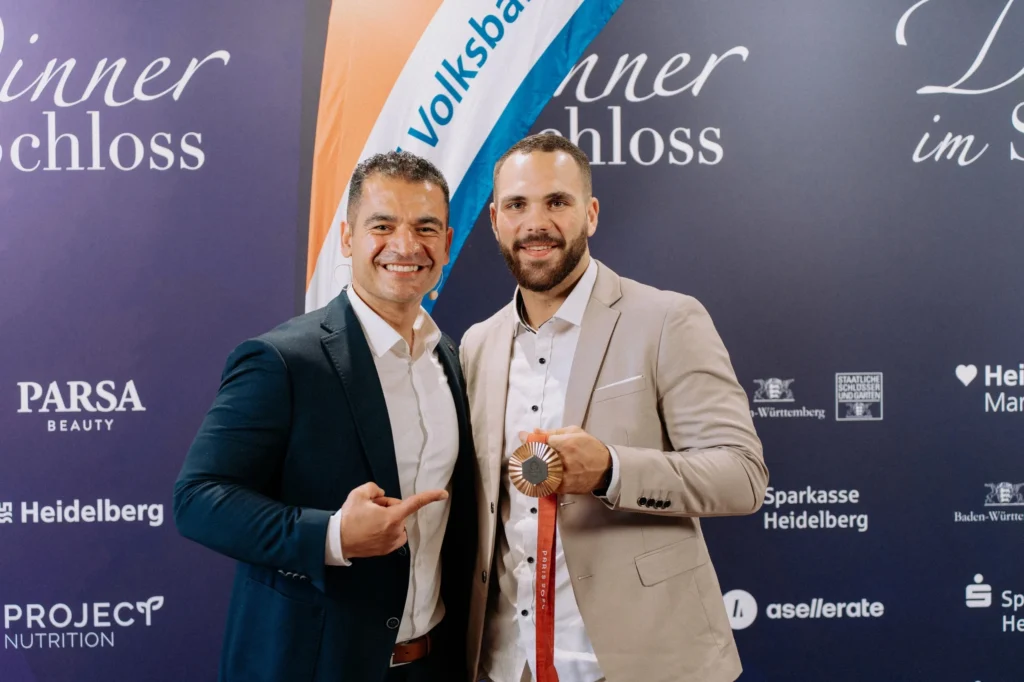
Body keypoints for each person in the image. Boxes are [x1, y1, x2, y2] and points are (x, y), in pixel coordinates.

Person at [459, 134, 768, 682]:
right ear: (494, 220)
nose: (536, 223)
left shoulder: (667, 319)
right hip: (508, 664)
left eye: (557, 202)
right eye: (517, 205)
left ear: (591, 214)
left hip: (640, 663)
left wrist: (610, 469)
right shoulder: (477, 345)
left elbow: (741, 476)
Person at [174, 150, 477, 682]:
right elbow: (198, 499)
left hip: (430, 664)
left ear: (447, 243)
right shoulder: (283, 359)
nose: (405, 246)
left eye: (425, 227)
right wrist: (332, 535)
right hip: (312, 666)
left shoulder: (449, 356)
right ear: (347, 238)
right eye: (382, 225)